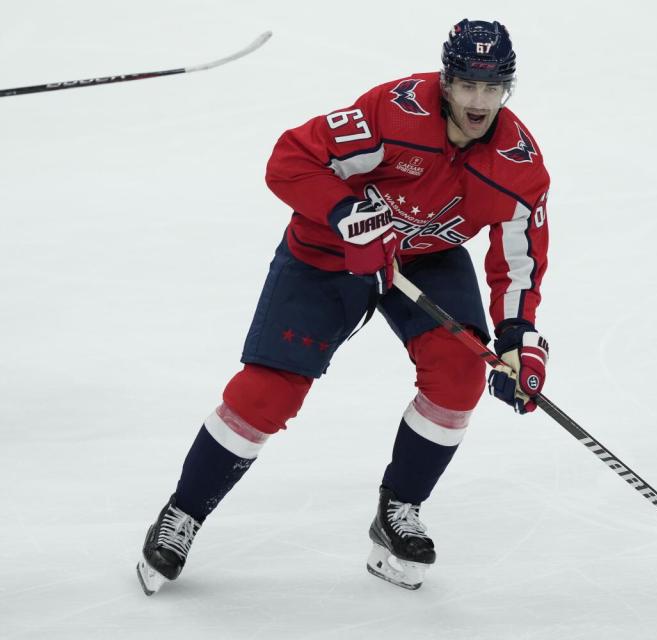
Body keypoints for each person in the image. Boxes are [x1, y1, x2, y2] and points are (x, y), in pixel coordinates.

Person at [136, 18, 551, 594]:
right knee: (268, 392)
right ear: (446, 80)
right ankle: (183, 513)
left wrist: (517, 339)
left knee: (459, 377)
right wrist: (345, 216)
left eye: (493, 88)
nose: (479, 102)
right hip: (329, 253)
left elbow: (519, 261)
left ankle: (398, 511)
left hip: (424, 257)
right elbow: (289, 160)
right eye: (467, 86)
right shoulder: (391, 113)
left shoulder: (519, 166)